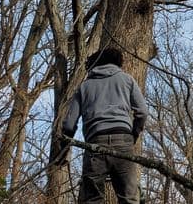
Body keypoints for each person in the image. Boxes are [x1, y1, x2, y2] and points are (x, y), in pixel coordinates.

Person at [62, 47, 148, 204]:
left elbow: (68, 125)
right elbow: (142, 112)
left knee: (92, 200)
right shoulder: (127, 80)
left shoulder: (84, 87)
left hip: (95, 143)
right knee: (130, 199)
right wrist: (133, 134)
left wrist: (63, 149)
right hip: (123, 141)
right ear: (118, 62)